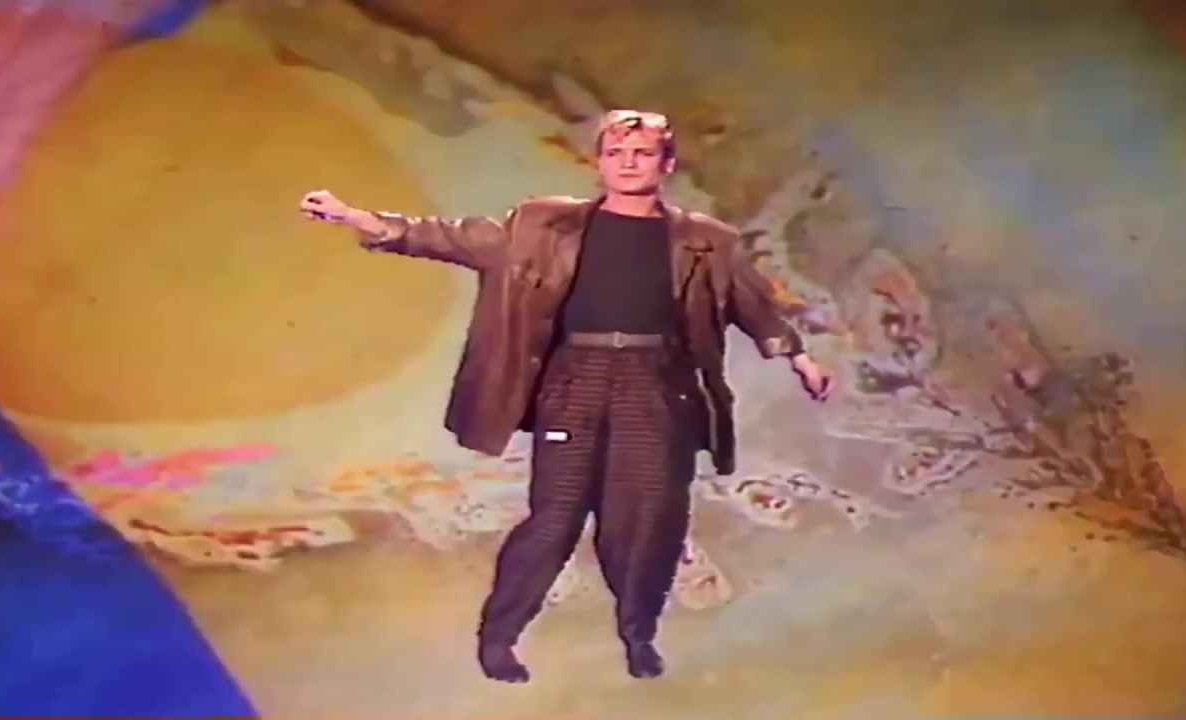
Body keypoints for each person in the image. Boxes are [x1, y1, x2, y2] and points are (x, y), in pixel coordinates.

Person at [298, 109, 832, 682]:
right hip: (575, 378)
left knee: (646, 520)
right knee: (555, 518)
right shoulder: (542, 224)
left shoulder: (706, 241)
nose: (628, 164)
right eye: (616, 154)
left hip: (657, 384)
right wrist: (360, 219)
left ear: (666, 164)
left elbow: (750, 302)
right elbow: (455, 238)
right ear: (599, 162)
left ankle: (638, 633)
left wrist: (797, 355)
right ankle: (499, 638)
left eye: (642, 154)